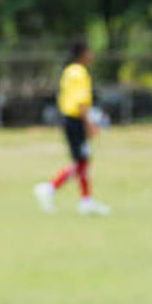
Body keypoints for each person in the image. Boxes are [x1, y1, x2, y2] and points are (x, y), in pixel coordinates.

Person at [34, 40, 111, 215]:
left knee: (83, 161)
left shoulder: (68, 71)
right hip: (76, 120)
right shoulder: (80, 73)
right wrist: (89, 124)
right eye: (90, 51)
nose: (92, 55)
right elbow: (80, 102)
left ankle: (85, 199)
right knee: (81, 161)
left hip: (68, 119)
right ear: (83, 53)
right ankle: (51, 188)